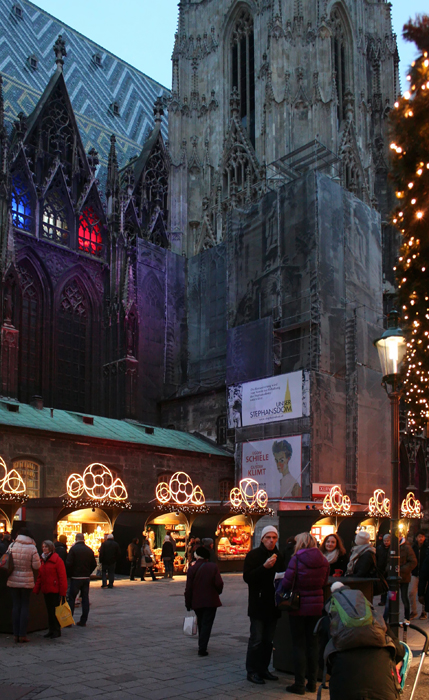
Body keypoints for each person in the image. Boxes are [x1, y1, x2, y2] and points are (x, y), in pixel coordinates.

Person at [325, 582, 405, 700]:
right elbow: (399, 652)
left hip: (344, 689)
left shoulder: (330, 621)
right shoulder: (374, 619)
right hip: (382, 688)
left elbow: (323, 662)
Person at [279, 532, 329, 695]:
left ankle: (299, 683)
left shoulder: (297, 559)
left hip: (299, 606)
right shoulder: (323, 560)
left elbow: (287, 582)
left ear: (300, 543)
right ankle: (313, 683)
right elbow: (325, 582)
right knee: (313, 644)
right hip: (316, 606)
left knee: (298, 644)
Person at [243, 525, 285, 685]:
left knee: (268, 640)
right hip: (258, 604)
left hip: (273, 604)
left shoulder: (279, 556)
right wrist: (264, 567)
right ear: (262, 539)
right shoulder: (253, 555)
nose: (271, 540)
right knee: (257, 639)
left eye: (274, 538)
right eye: (268, 537)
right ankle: (252, 671)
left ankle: (264, 668)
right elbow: (248, 577)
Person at [184, 545, 224, 656]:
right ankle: (202, 647)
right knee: (207, 623)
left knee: (201, 622)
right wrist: (217, 592)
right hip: (211, 601)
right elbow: (219, 583)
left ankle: (202, 643)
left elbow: (188, 588)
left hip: (197, 601)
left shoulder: (192, 568)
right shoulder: (213, 567)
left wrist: (188, 603)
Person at [6, 527, 41, 643]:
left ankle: (15, 634)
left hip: (13, 579)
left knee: (16, 606)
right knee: (25, 606)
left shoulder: (12, 546)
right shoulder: (32, 547)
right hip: (27, 580)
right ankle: (22, 634)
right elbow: (37, 566)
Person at [33, 540, 67, 639]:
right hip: (46, 589)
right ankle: (51, 630)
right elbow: (40, 576)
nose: (44, 549)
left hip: (54, 589)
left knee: (55, 611)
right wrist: (36, 589)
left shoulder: (57, 560)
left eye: (46, 547)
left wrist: (63, 591)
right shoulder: (42, 560)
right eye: (43, 547)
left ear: (51, 548)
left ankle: (57, 629)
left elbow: (62, 576)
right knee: (49, 611)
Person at [66, 533, 97, 627]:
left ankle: (69, 621)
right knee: (85, 598)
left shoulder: (73, 549)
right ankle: (83, 620)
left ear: (76, 539)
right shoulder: (89, 550)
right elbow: (94, 564)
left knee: (71, 598)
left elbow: (68, 563)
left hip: (75, 578)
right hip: (85, 578)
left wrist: (70, 574)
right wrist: (88, 572)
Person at [410, 530, 428, 620]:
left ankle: (423, 611)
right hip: (415, 572)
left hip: (424, 573)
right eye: (419, 537)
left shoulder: (427, 548)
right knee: (411, 592)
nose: (420, 538)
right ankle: (414, 611)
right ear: (416, 538)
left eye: (422, 536)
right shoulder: (413, 547)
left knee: (424, 593)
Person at [376, 533, 391, 606]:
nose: (386, 542)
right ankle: (383, 600)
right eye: (385, 541)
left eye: (387, 541)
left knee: (390, 585)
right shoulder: (379, 548)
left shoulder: (392, 548)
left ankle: (390, 599)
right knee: (383, 585)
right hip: (381, 569)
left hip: (389, 570)